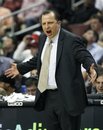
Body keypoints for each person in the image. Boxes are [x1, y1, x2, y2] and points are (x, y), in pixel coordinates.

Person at [5, 9, 97, 130]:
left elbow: (84, 55)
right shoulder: (43, 38)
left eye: (50, 23)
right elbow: (40, 58)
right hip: (47, 96)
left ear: (58, 23)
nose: (47, 26)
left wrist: (91, 67)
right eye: (44, 24)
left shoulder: (71, 40)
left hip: (67, 96)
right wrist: (20, 67)